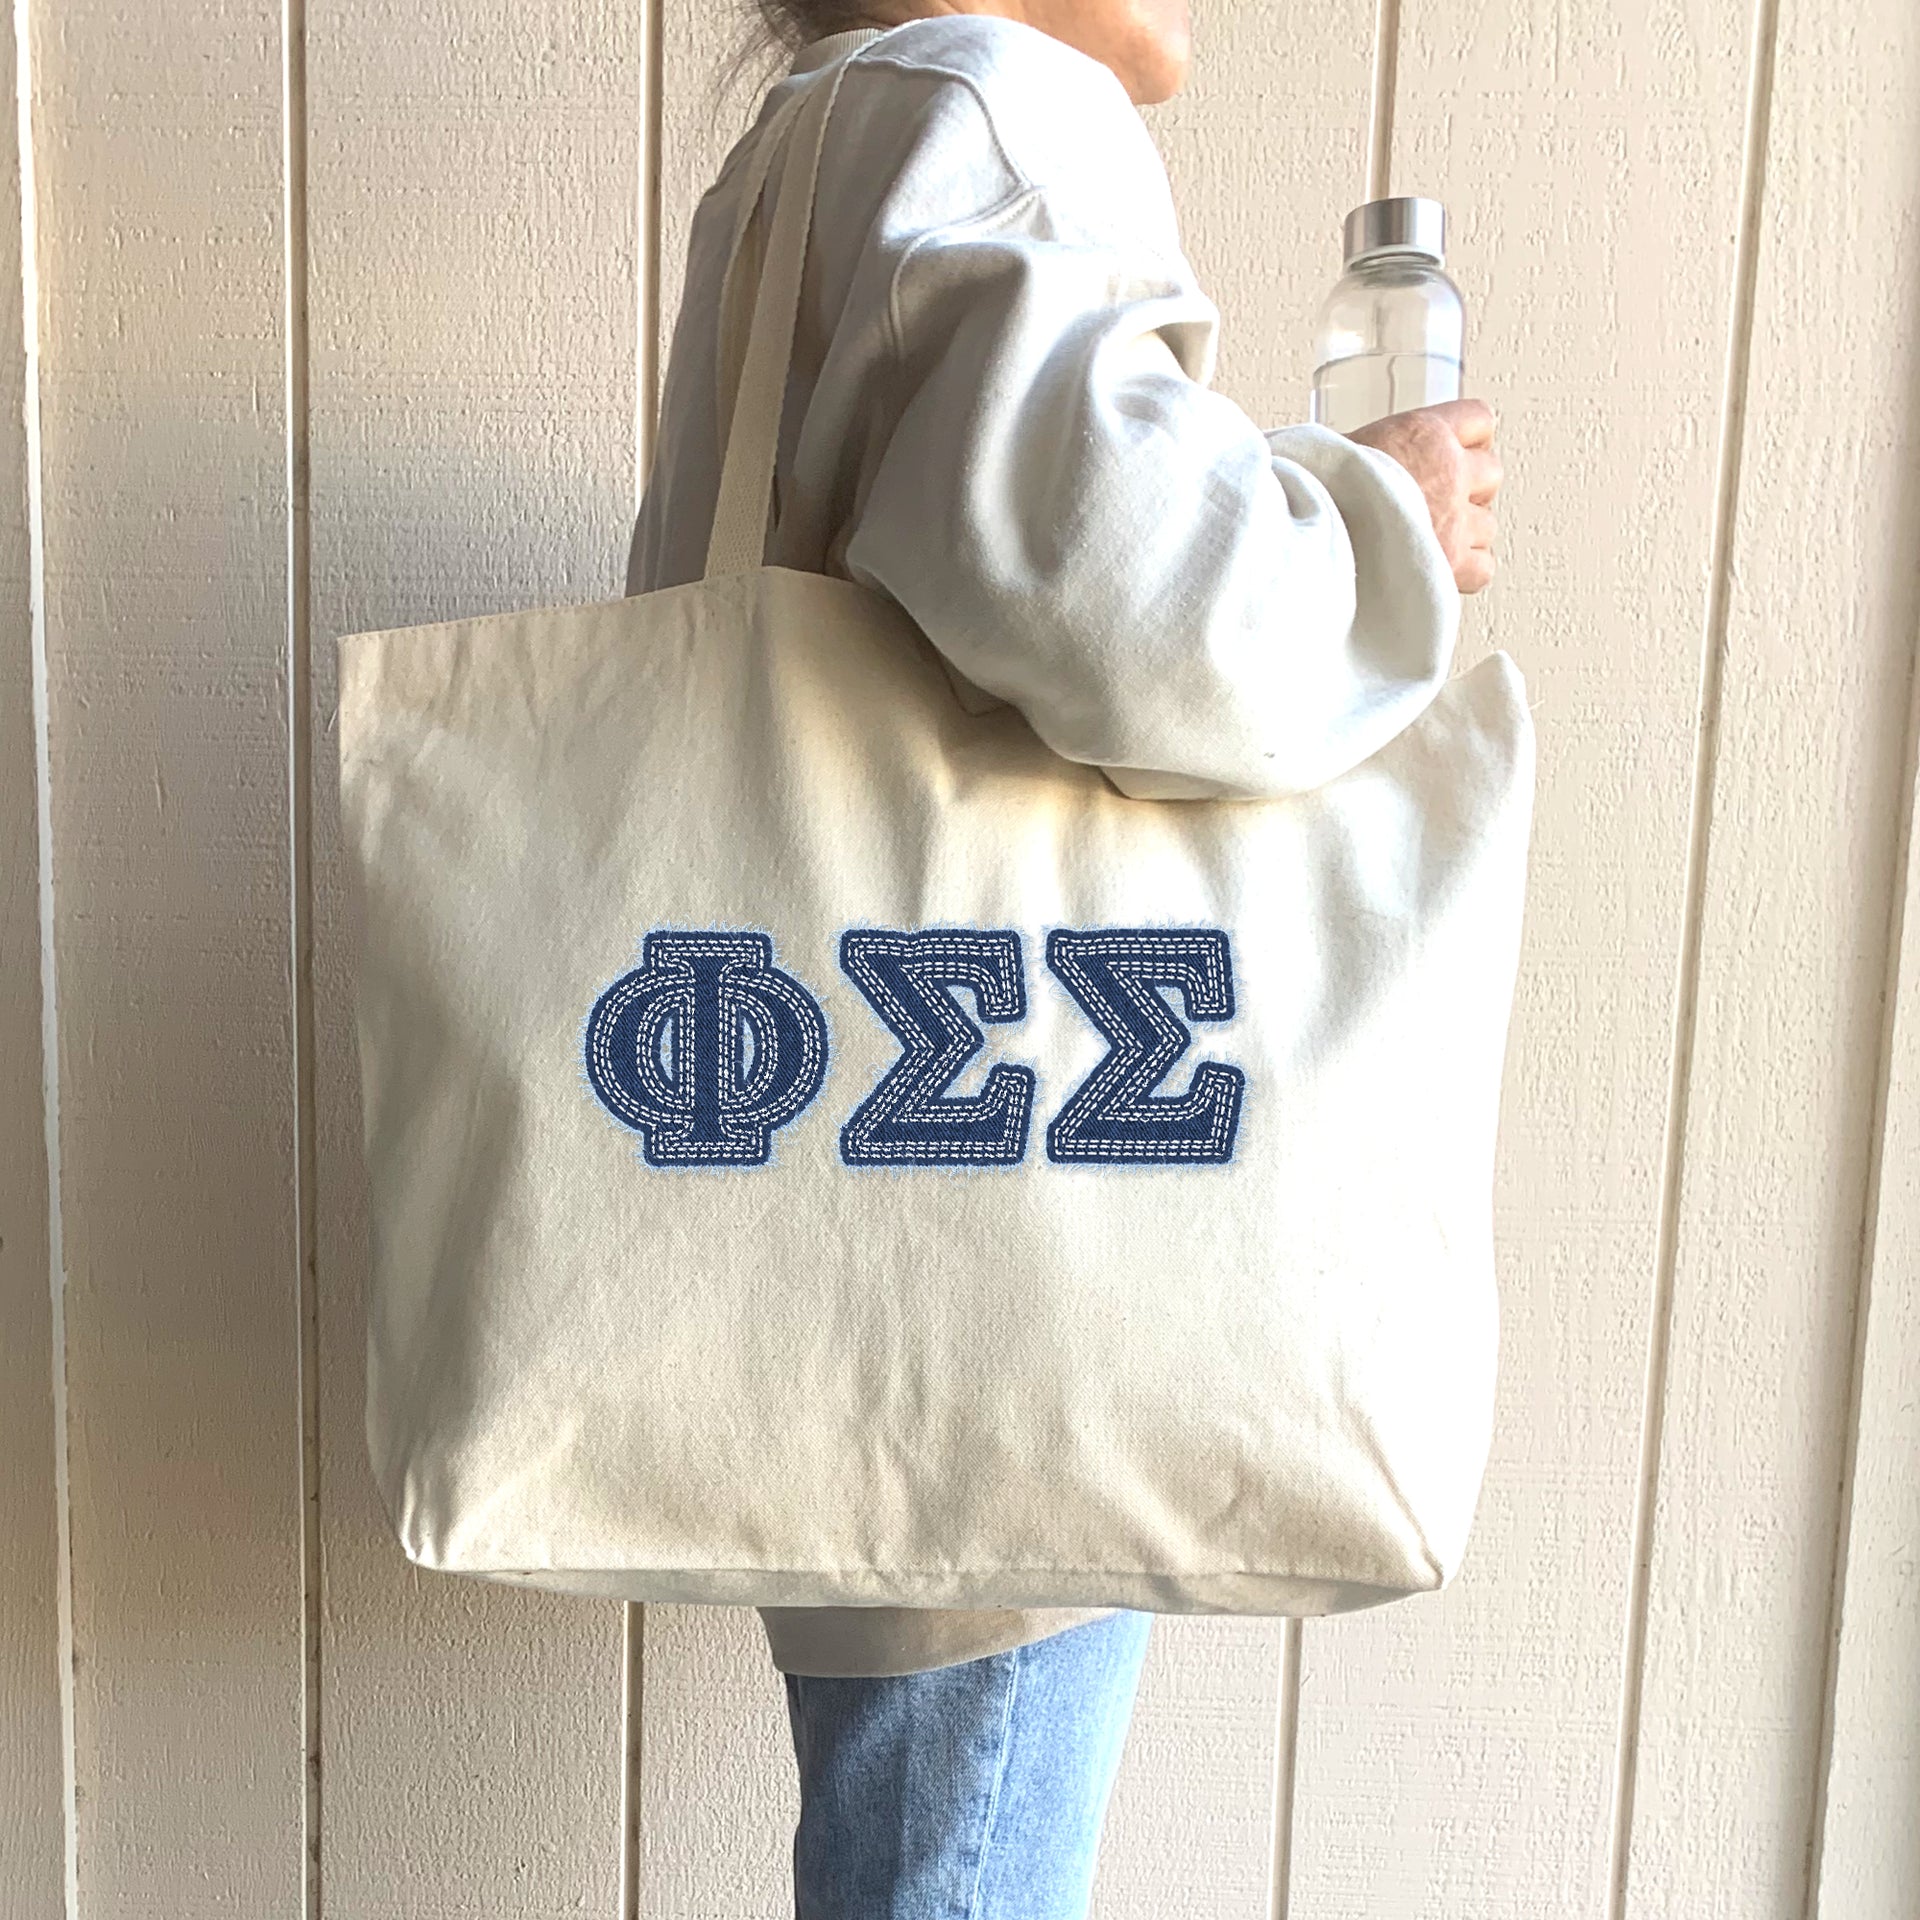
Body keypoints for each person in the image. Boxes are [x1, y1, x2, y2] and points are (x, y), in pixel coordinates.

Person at [626, 4, 1502, 1913]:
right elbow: (1143, 616)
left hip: (855, 1183)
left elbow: (999, 544)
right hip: (1011, 1219)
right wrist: (1386, 525)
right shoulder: (998, 107)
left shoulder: (814, 140)